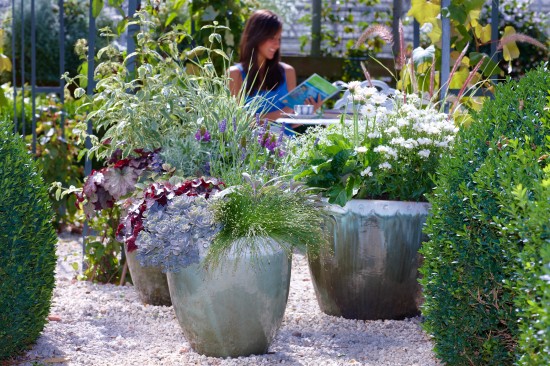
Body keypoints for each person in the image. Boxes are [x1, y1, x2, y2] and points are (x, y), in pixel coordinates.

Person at [229, 10, 321, 122]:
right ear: (257, 36)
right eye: (272, 38)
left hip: (286, 138)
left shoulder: (287, 72)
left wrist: (308, 113)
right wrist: (284, 112)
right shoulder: (235, 74)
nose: (277, 44)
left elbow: (291, 124)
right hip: (252, 139)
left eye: (278, 39)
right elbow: (236, 122)